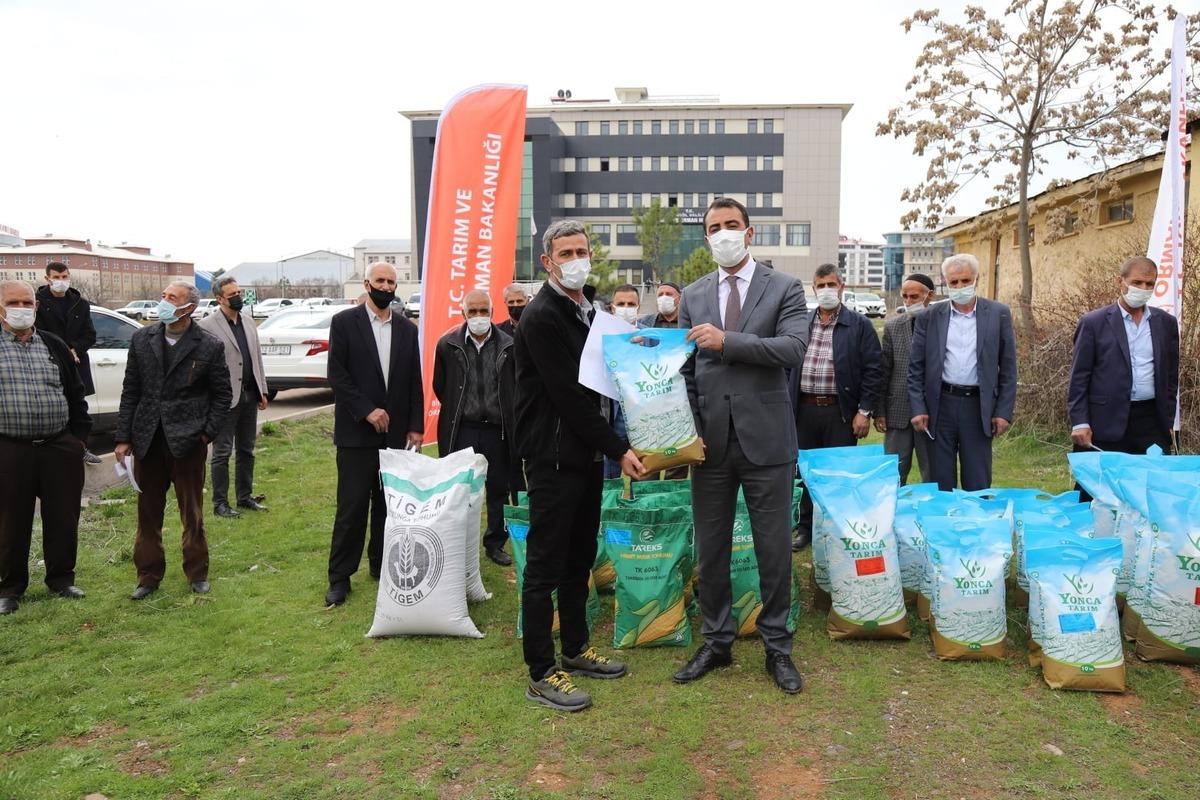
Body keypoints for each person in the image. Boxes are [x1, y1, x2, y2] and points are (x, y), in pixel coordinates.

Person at [675, 198, 808, 694]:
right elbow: (686, 372)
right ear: (706, 237)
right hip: (709, 444)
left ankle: (777, 646)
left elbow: (792, 350)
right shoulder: (693, 294)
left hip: (766, 441)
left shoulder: (785, 288)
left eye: (732, 225)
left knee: (773, 548)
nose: (723, 233)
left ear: (749, 233)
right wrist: (689, 428)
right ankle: (717, 640)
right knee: (711, 550)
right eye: (714, 227)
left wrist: (727, 340)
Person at [514, 219, 646, 712]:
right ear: (547, 261)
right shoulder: (543, 315)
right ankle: (541, 671)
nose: (575, 259)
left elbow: (603, 378)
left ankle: (575, 647)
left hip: (585, 454)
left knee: (579, 557)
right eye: (565, 253)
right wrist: (618, 448)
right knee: (546, 564)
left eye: (582, 250)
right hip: (553, 455)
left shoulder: (587, 308)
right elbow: (569, 397)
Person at [115, 282, 231, 600]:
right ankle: (148, 576)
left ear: (189, 307)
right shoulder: (142, 339)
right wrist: (124, 438)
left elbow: (222, 395)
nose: (164, 302)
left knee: (191, 513)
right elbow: (131, 390)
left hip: (188, 442)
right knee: (147, 513)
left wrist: (206, 433)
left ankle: (197, 573)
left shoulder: (208, 345)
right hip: (148, 440)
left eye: (172, 298)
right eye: (163, 296)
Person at [324, 262, 423, 607]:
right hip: (356, 434)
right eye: (379, 280)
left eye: (391, 282)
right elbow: (337, 374)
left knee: (388, 506)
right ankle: (339, 577)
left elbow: (413, 380)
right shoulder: (344, 323)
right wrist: (366, 409)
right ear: (367, 283)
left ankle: (381, 566)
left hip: (395, 435)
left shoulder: (408, 330)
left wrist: (415, 425)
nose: (385, 286)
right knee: (351, 508)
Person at [0, 281, 92, 614]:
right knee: (11, 521)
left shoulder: (52, 344)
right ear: (0, 307)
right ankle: (10, 588)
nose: (21, 308)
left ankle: (61, 579)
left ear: (36, 307)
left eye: (27, 302)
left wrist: (78, 439)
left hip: (58, 446)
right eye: (14, 302)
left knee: (64, 516)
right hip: (10, 449)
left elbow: (76, 393)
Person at [788, 263, 883, 550]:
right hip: (803, 410)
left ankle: (834, 528)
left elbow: (873, 370)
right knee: (804, 472)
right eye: (821, 285)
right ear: (814, 289)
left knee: (837, 473)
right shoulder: (802, 322)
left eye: (832, 284)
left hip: (840, 412)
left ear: (841, 287)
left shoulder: (859, 325)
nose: (826, 290)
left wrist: (864, 411)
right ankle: (805, 527)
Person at [908, 254, 1016, 491]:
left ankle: (977, 525)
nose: (959, 287)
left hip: (978, 407)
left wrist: (1003, 412)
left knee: (977, 480)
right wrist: (918, 408)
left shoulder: (998, 313)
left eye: (965, 281)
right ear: (945, 282)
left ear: (976, 279)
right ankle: (943, 525)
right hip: (940, 406)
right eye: (954, 282)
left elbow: (1008, 368)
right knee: (940, 481)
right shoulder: (929, 317)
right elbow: (915, 367)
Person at [1068, 256, 1179, 468]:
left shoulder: (1166, 324)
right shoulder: (1093, 323)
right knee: (1098, 492)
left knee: (1149, 487)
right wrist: (1080, 421)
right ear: (1120, 282)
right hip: (1105, 422)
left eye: (1149, 284)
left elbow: (1171, 377)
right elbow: (1079, 378)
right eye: (1137, 282)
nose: (1143, 288)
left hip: (1150, 422)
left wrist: (1167, 418)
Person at [433, 289, 516, 567]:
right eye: (473, 312)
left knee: (498, 489)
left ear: (492, 313)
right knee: (461, 490)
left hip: (498, 430)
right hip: (463, 430)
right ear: (463, 314)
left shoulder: (509, 345)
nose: (479, 317)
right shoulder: (447, 345)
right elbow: (441, 387)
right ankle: (458, 543)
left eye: (484, 311)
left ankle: (495, 543)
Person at [198, 276, 269, 518]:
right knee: (222, 452)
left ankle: (244, 497)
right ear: (219, 299)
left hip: (249, 394)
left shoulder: (248, 322)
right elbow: (202, 365)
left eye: (240, 291)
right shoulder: (207, 326)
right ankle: (220, 503)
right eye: (233, 294)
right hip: (223, 400)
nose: (239, 297)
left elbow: (256, 357)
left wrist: (263, 390)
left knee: (247, 450)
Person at [34, 261, 101, 464]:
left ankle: (81, 448)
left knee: (78, 406)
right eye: (56, 277)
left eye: (64, 277)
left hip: (77, 362)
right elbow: (38, 332)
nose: (61, 281)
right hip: (48, 362)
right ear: (47, 279)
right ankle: (55, 452)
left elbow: (89, 335)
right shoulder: (37, 302)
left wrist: (74, 349)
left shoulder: (79, 303)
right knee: (54, 406)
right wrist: (63, 351)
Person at [875, 273, 936, 485]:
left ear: (929, 296)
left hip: (931, 413)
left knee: (934, 472)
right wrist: (880, 410)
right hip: (897, 411)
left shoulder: (942, 325)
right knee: (893, 474)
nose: (909, 302)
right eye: (905, 297)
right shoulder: (893, 327)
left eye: (914, 297)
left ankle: (934, 513)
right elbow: (884, 371)